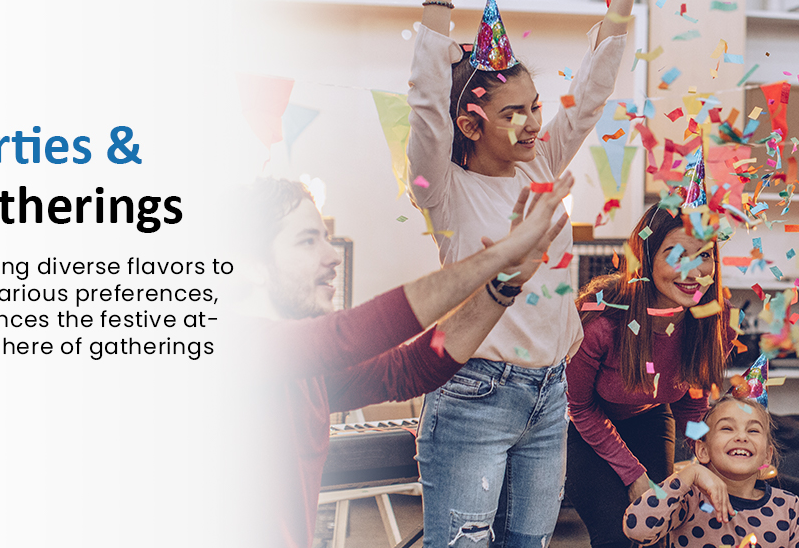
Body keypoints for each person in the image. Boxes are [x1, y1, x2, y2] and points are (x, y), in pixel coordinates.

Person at [406, 0, 692, 546]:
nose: (535, 123)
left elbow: (588, 97)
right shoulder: (443, 187)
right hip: (475, 391)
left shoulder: (538, 163)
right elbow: (427, 105)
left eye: (535, 106)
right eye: (515, 113)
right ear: (470, 123)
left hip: (548, 392)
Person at [234, 175, 572, 548]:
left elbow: (412, 368)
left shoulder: (306, 370)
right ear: (253, 266)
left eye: (325, 238)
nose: (332, 256)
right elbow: (348, 336)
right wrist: (498, 255)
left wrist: (503, 284)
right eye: (308, 241)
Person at [566, 203, 729, 548]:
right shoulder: (601, 322)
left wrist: (708, 454)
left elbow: (691, 402)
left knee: (655, 532)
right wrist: (633, 475)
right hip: (585, 426)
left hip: (651, 419)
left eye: (704, 255)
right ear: (647, 258)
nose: (694, 270)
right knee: (617, 534)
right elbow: (579, 407)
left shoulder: (710, 319)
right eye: (676, 254)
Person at [623, 396, 799, 548]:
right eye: (727, 428)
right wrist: (690, 473)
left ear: (767, 456)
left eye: (753, 430)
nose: (742, 437)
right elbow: (636, 529)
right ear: (703, 451)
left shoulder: (788, 505)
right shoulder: (688, 500)